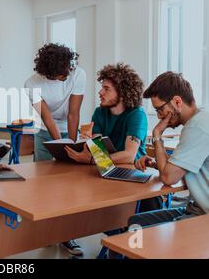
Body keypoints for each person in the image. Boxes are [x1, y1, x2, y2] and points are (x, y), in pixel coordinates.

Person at [66, 63, 163, 212]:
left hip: (134, 177)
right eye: (102, 88)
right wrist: (87, 143)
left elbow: (129, 156)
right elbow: (97, 150)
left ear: (122, 93)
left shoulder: (137, 115)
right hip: (106, 172)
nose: (100, 93)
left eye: (106, 89)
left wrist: (92, 159)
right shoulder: (100, 112)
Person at [24, 43, 85, 256]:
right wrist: (59, 145)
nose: (65, 78)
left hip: (70, 129)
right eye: (60, 76)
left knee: (68, 185)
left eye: (66, 73)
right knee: (46, 185)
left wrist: (72, 145)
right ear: (48, 73)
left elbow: (73, 114)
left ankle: (68, 235)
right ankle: (47, 231)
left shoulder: (77, 73)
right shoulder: (32, 84)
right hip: (44, 131)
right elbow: (47, 117)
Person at [128, 72, 208, 228]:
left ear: (177, 101)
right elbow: (178, 170)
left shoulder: (197, 128)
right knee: (135, 222)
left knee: (137, 228)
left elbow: (169, 178)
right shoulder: (201, 118)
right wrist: (154, 162)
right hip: (195, 209)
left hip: (204, 217)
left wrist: (157, 135)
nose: (159, 117)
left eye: (159, 110)